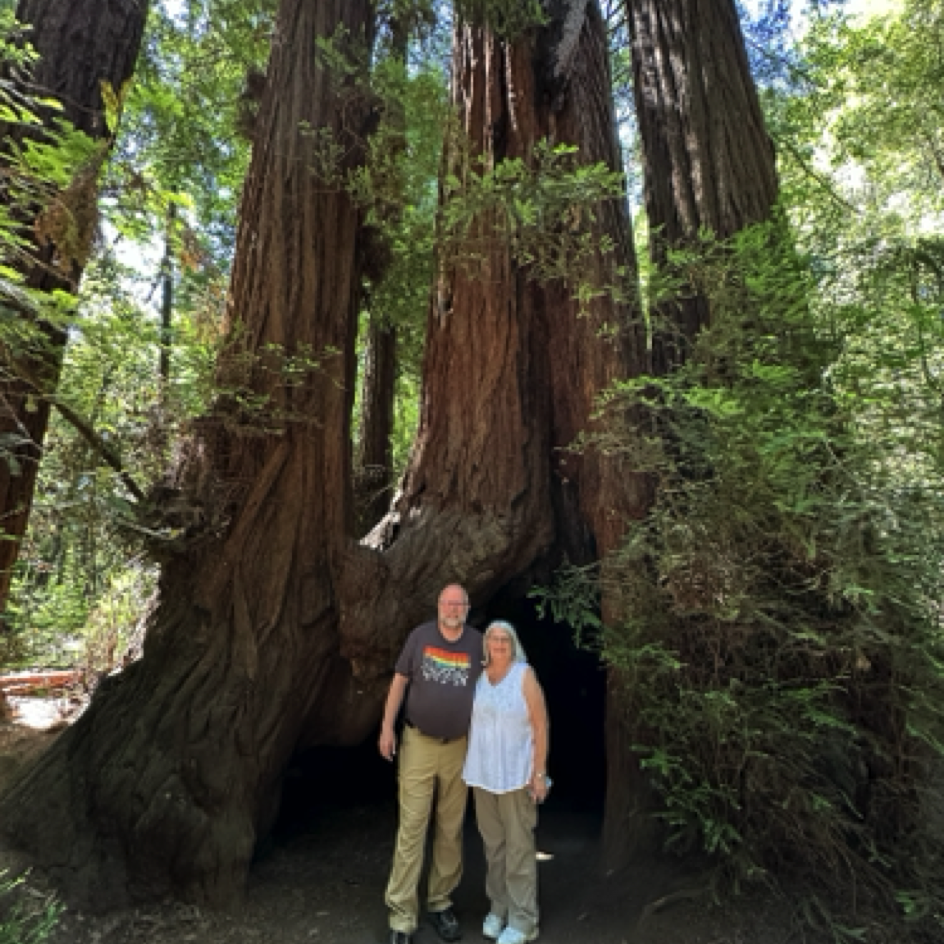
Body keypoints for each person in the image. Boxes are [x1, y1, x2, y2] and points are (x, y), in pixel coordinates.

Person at [379, 584, 483, 944]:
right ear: (438, 606)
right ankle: (402, 917)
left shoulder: (478, 644)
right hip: (418, 743)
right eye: (447, 602)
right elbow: (399, 682)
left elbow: (494, 690)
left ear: (467, 609)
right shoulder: (420, 637)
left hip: (460, 747)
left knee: (450, 828)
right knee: (412, 826)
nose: (453, 608)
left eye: (459, 604)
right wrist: (386, 727)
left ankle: (440, 904)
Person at [462, 620, 549, 944]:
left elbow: (540, 727)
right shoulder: (481, 678)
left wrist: (539, 773)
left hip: (516, 777)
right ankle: (498, 909)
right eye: (493, 639)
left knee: (519, 849)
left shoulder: (524, 675)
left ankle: (524, 920)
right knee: (494, 849)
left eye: (504, 639)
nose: (498, 644)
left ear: (512, 643)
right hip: (484, 778)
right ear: (486, 644)